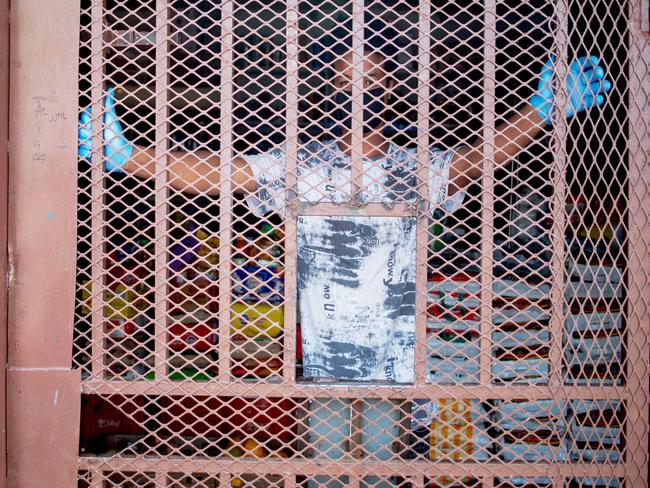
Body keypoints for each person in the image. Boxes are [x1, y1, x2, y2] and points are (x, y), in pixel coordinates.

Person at [79, 42, 611, 384]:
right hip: (327, 361)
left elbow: (477, 160)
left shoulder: (413, 167)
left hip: (402, 363)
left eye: (371, 84)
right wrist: (129, 158)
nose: (359, 95)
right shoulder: (306, 167)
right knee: (329, 468)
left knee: (383, 466)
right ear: (329, 96)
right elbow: (218, 174)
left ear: (390, 94)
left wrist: (543, 111)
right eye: (346, 85)